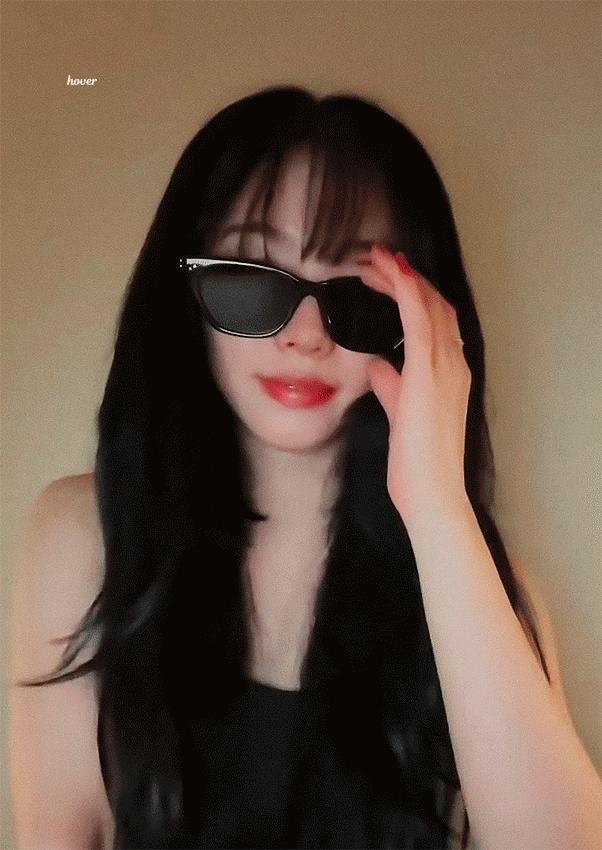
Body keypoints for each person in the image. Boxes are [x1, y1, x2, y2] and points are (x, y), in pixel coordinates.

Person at [9, 86, 601, 850]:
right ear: (186, 294)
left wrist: (437, 508)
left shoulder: (480, 584)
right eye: (251, 278)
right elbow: (63, 833)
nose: (306, 334)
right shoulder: (85, 535)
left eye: (355, 293)